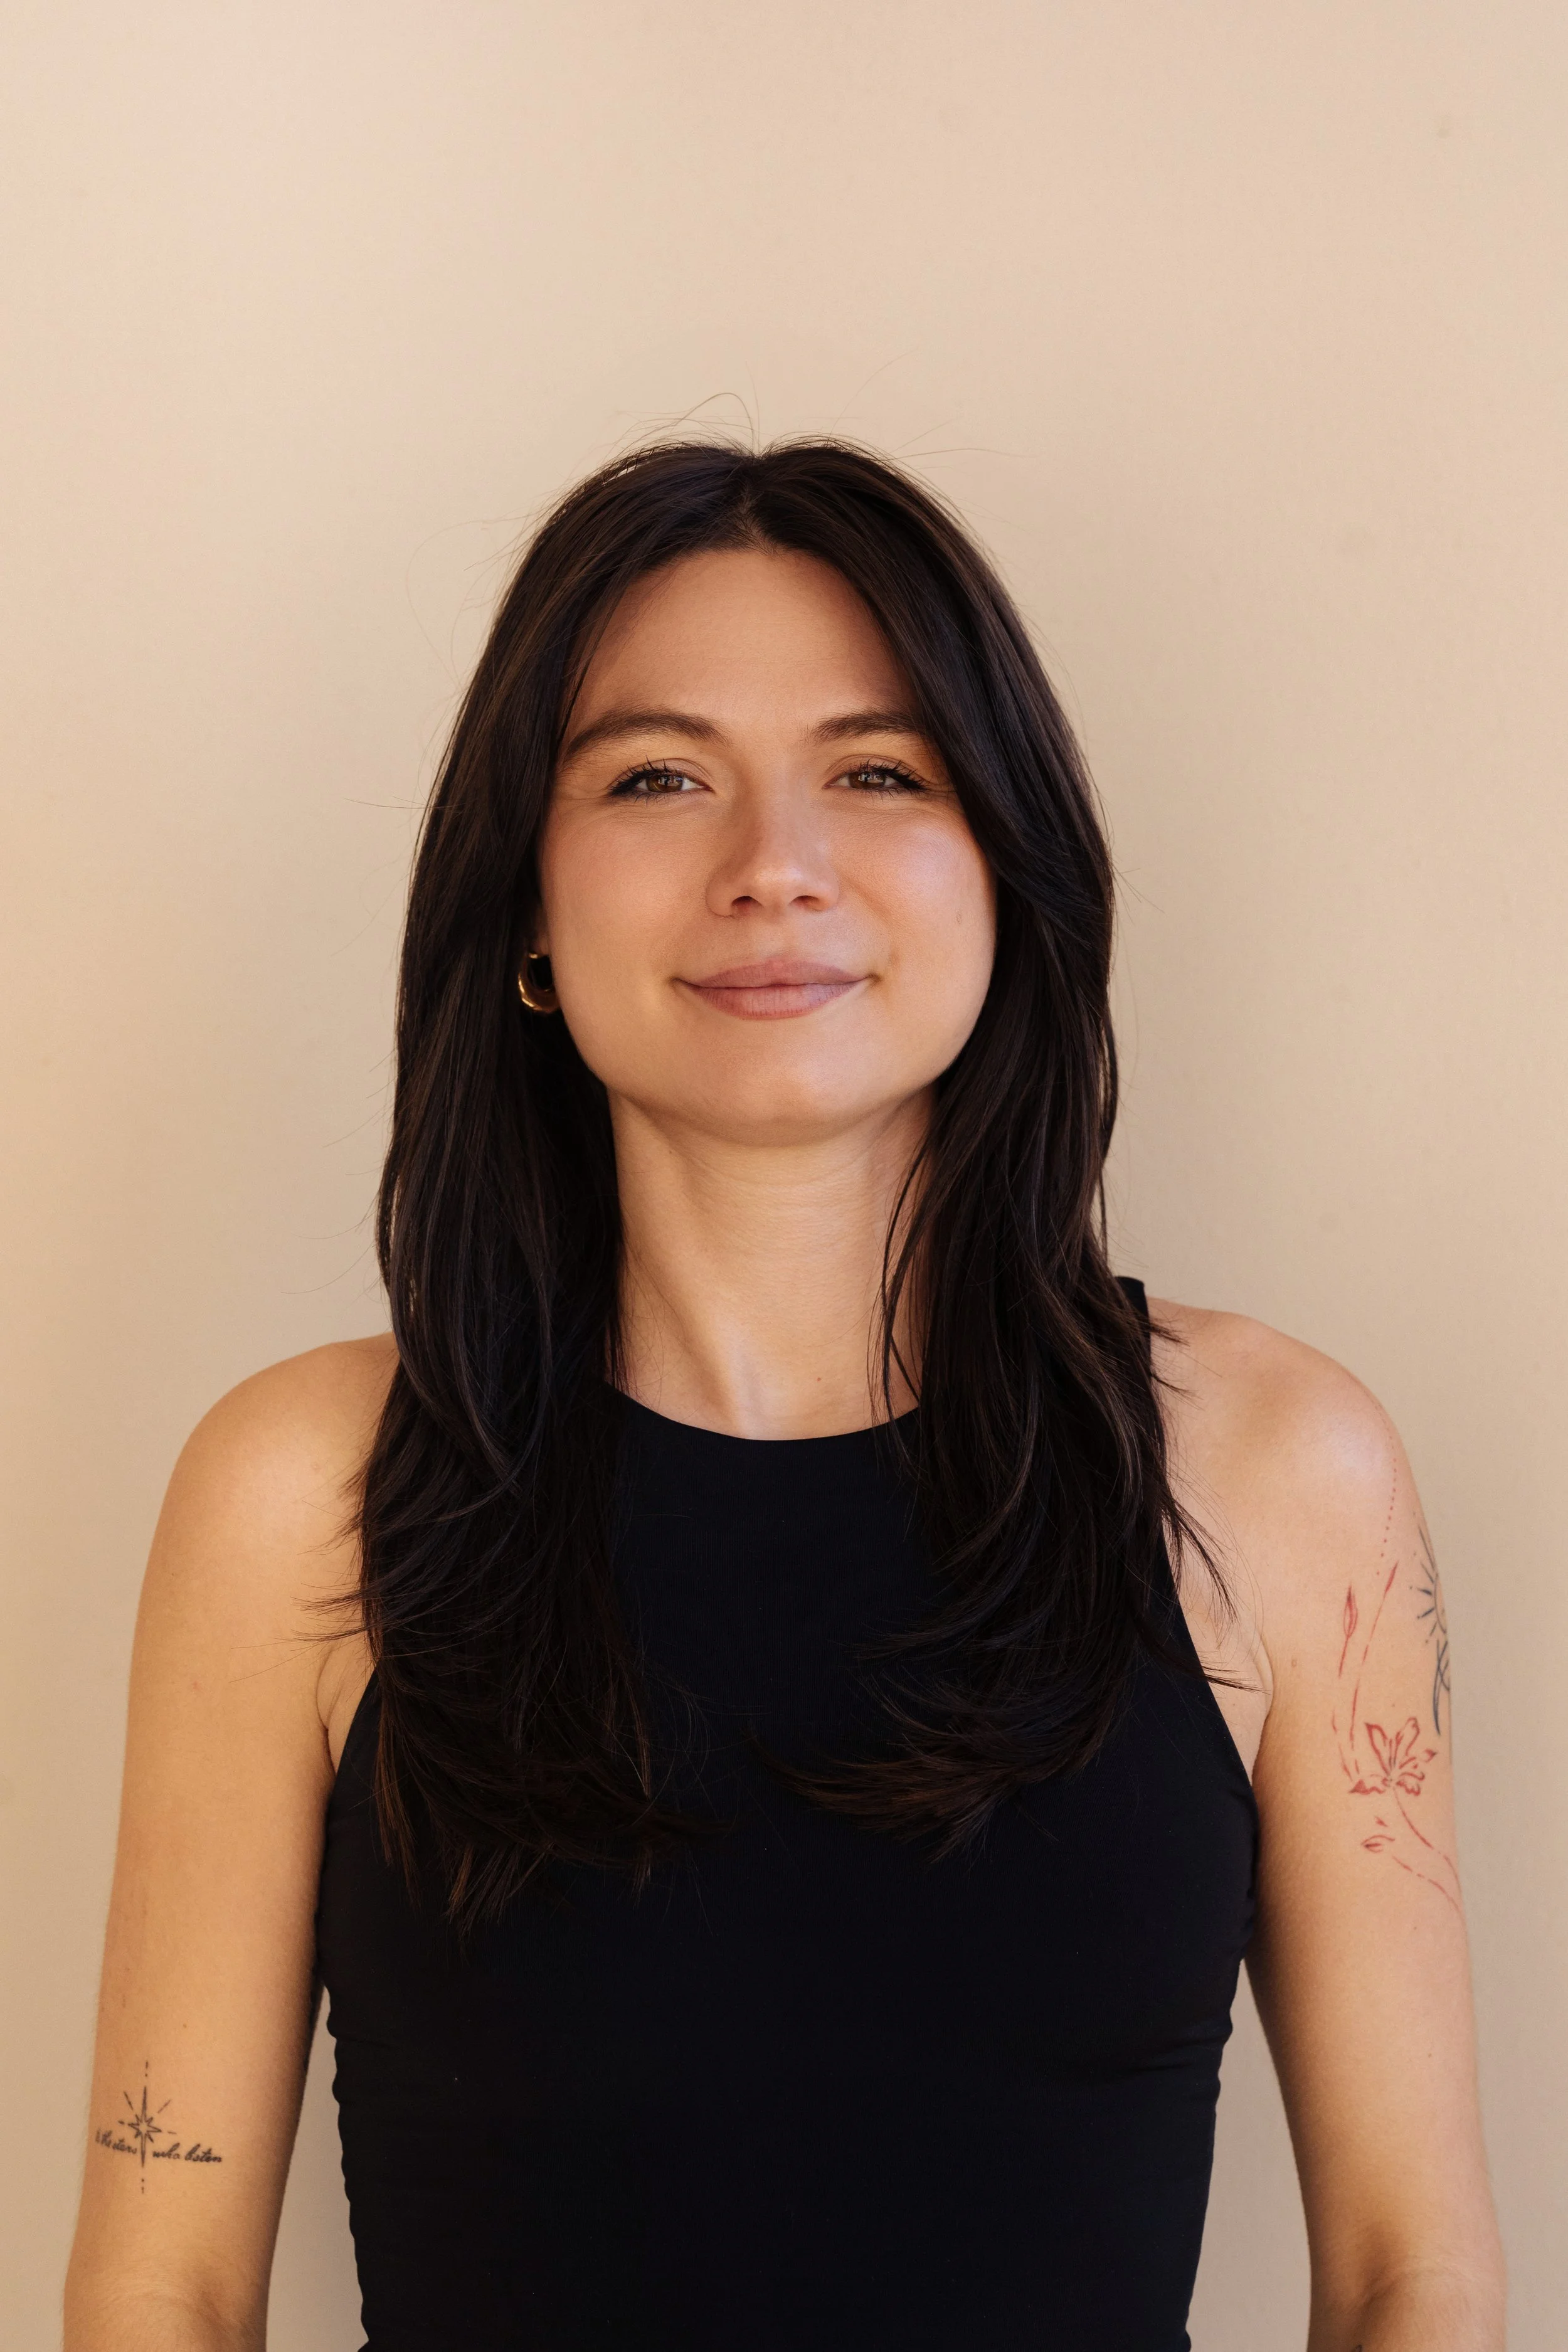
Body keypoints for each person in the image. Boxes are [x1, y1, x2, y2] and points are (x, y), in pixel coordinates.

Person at [64, 441, 1503, 2351]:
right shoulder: (303, 1492)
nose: (772, 863)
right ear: (523, 910)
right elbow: (158, 2285)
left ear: (1008, 870)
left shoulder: (1271, 1471)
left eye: (880, 770)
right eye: (655, 775)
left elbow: (1413, 2275)